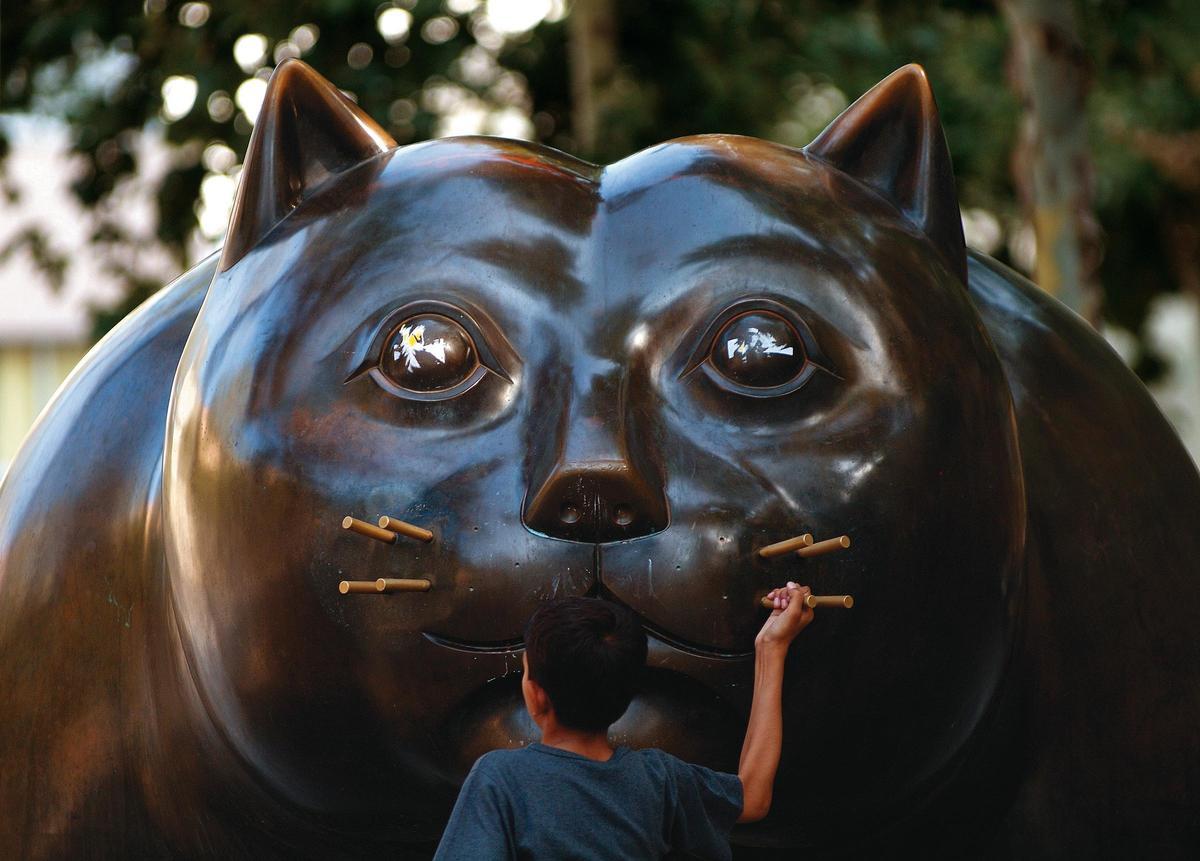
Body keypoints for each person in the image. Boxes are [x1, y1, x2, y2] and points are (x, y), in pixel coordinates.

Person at [433, 583, 814, 860]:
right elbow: (752, 797)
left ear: (536, 694)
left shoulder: (499, 778)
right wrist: (771, 648)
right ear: (627, 695)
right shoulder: (656, 779)